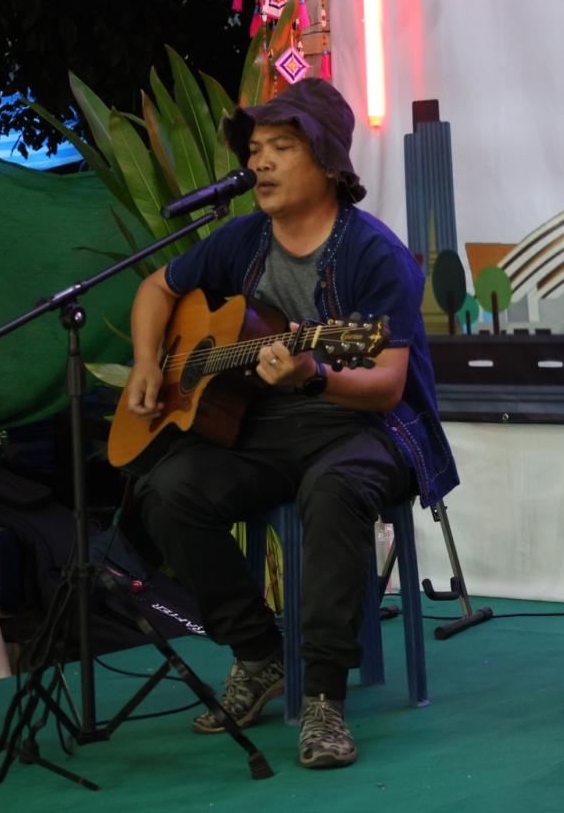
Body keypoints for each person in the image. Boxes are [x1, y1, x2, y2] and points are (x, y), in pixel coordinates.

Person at [122, 79, 456, 769]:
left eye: (281, 147)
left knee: (333, 490)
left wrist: (315, 375)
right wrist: (147, 363)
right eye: (255, 150)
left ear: (328, 162)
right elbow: (157, 287)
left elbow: (388, 383)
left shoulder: (376, 254)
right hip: (265, 427)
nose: (261, 163)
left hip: (367, 427)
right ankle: (258, 653)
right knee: (169, 491)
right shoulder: (242, 239)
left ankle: (325, 697)